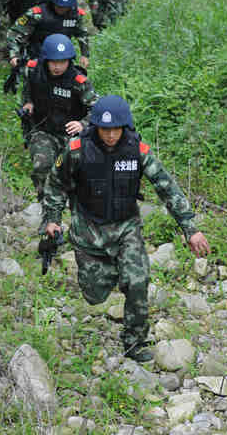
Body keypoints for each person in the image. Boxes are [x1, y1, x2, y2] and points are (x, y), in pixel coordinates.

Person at [41, 95, 211, 362]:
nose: (110, 135)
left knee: (137, 280)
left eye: (115, 129)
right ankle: (107, 273)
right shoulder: (76, 150)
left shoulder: (138, 151)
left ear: (125, 128)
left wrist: (190, 228)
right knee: (95, 295)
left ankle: (135, 342)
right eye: (104, 129)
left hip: (126, 229)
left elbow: (167, 188)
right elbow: (55, 183)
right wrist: (51, 218)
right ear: (95, 126)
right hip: (88, 232)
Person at [21, 34, 99, 201]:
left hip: (71, 134)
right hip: (44, 130)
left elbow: (98, 110)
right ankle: (45, 202)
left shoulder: (79, 81)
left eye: (62, 62)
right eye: (53, 62)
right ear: (46, 60)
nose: (57, 67)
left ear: (69, 61)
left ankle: (76, 202)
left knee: (80, 171)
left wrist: (82, 124)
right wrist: (28, 103)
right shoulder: (34, 70)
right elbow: (27, 87)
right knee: (42, 165)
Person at [6, 0, 90, 75]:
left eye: (65, 7)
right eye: (59, 6)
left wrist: (85, 55)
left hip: (62, 55)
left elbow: (82, 34)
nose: (62, 10)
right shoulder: (36, 14)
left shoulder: (76, 15)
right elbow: (15, 33)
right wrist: (13, 55)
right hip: (36, 54)